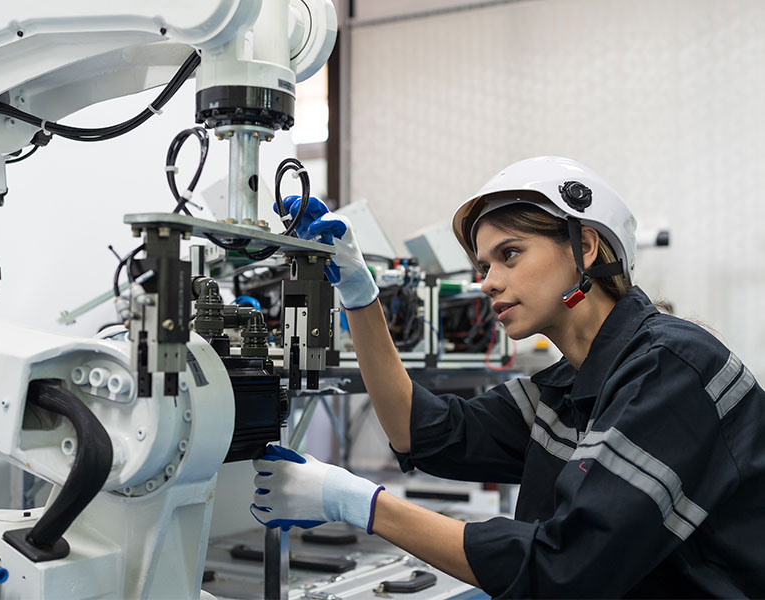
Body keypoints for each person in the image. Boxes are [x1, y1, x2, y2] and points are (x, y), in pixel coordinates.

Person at [249, 157, 765, 598]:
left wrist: (354, 502)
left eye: (510, 254)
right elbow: (421, 431)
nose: (489, 281)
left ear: (585, 247)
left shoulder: (672, 368)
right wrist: (360, 293)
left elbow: (562, 571)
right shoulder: (567, 387)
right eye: (482, 264)